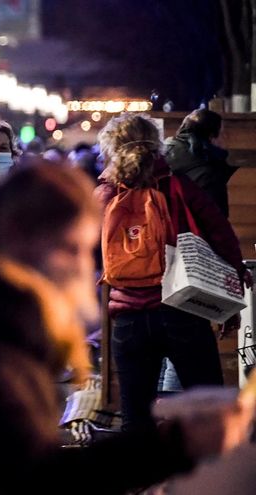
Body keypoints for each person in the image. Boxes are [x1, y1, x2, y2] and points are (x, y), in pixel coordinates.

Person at [0, 165, 256, 494]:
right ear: (23, 242)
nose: (79, 269)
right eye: (71, 248)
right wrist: (176, 445)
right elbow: (36, 479)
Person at [94, 113, 249, 432]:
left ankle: (140, 480)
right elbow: (220, 232)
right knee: (210, 410)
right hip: (182, 309)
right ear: (156, 144)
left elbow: (85, 245)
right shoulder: (179, 186)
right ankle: (207, 477)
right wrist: (235, 279)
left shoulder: (105, 194)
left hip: (128, 320)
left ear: (111, 147)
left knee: (136, 418)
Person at [164, 108, 238, 217]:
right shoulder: (210, 171)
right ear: (211, 137)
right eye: (222, 133)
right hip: (192, 231)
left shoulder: (160, 154)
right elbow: (217, 221)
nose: (225, 138)